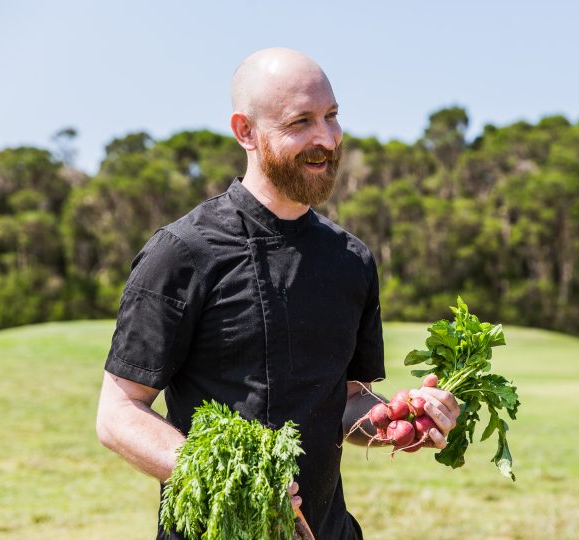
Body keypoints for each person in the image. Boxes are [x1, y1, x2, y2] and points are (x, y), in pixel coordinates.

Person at [95, 47, 460, 540]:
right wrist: (230, 474)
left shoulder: (351, 259)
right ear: (245, 130)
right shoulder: (181, 253)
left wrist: (401, 419)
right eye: (300, 122)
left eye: (331, 116)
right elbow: (118, 414)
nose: (326, 139)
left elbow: (346, 404)